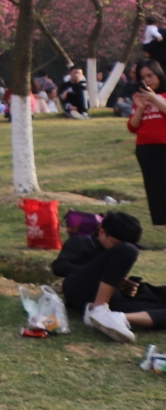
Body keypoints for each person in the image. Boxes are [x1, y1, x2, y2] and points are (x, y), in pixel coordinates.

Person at [53, 211, 166, 343]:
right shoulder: (81, 242)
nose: (119, 248)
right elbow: (59, 266)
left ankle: (118, 318)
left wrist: (126, 287)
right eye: (116, 244)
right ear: (102, 232)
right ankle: (98, 309)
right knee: (128, 250)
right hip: (81, 290)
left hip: (112, 299)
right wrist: (103, 274)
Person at [129, 62, 166, 230]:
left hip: (163, 147)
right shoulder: (140, 98)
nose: (147, 80)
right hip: (146, 150)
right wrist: (141, 108)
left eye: (150, 75)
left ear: (159, 74)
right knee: (158, 194)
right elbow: (132, 127)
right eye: (143, 77)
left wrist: (155, 99)